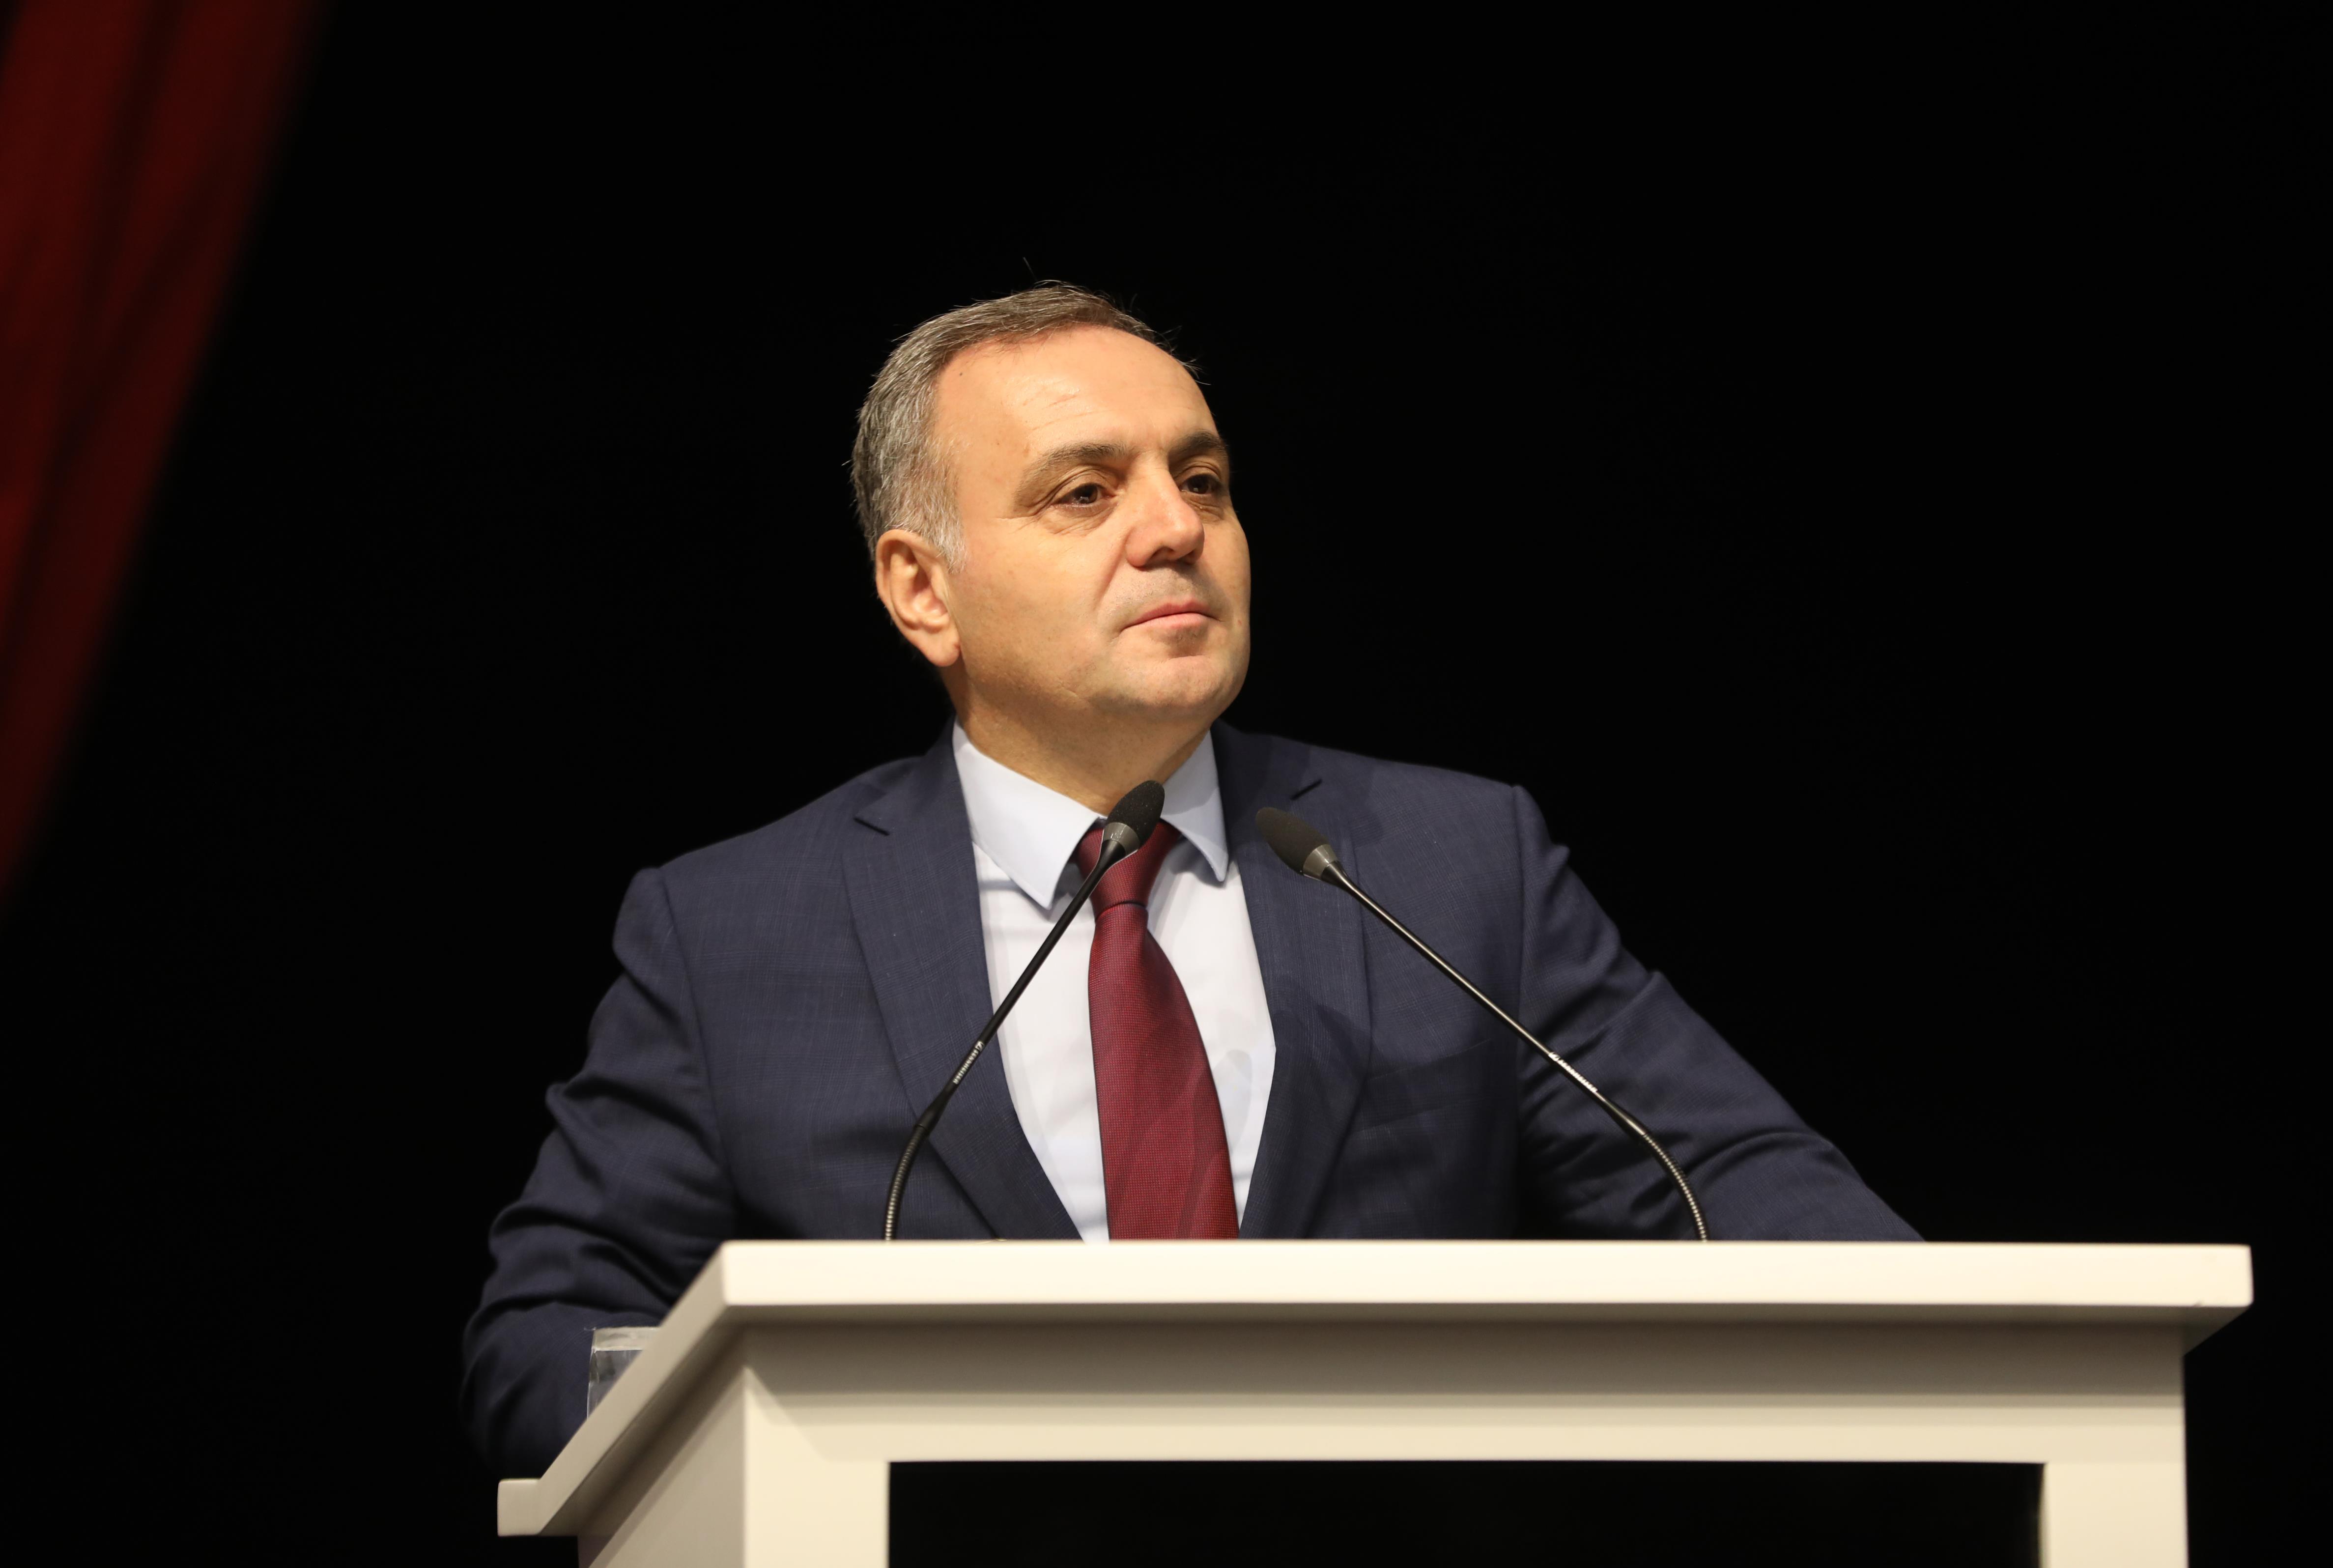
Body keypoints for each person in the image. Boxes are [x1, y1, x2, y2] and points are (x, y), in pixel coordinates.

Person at [461, 285, 1916, 1477]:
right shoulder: (728, 930)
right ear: (923, 589)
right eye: (1084, 492)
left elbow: (1743, 1191)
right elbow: (545, 1341)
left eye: (1202, 480)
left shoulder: (1450, 863)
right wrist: (794, 1432)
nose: (1175, 529)